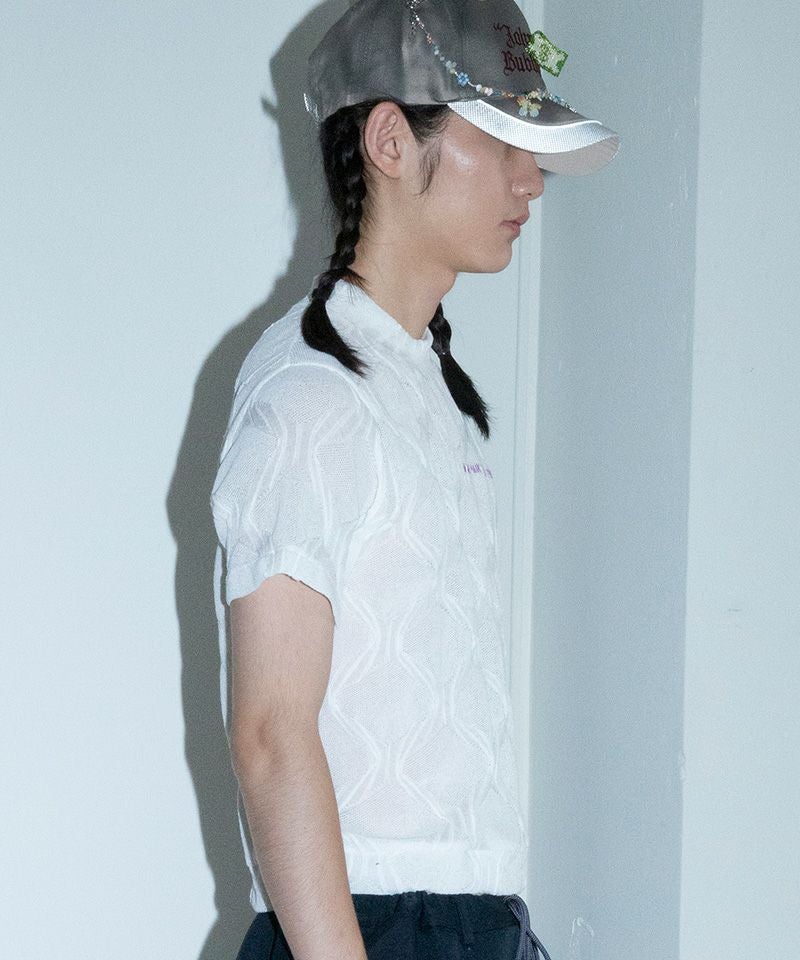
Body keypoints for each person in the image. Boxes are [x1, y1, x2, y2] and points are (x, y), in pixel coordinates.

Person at [210, 1, 619, 958]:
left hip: (467, 918)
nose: (532, 179)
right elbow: (270, 732)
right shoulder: (311, 394)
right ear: (391, 141)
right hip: (375, 925)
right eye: (502, 142)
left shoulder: (424, 384)